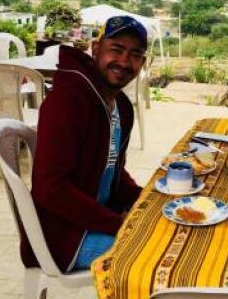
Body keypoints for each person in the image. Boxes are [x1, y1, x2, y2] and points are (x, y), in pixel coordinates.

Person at [23, 15, 148, 272]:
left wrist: (147, 199)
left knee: (170, 230)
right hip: (64, 237)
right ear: (96, 48)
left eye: (135, 54)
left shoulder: (120, 106)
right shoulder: (68, 101)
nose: (124, 62)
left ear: (142, 62)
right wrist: (117, 223)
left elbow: (111, 171)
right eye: (116, 49)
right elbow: (51, 189)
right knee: (158, 255)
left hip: (97, 219)